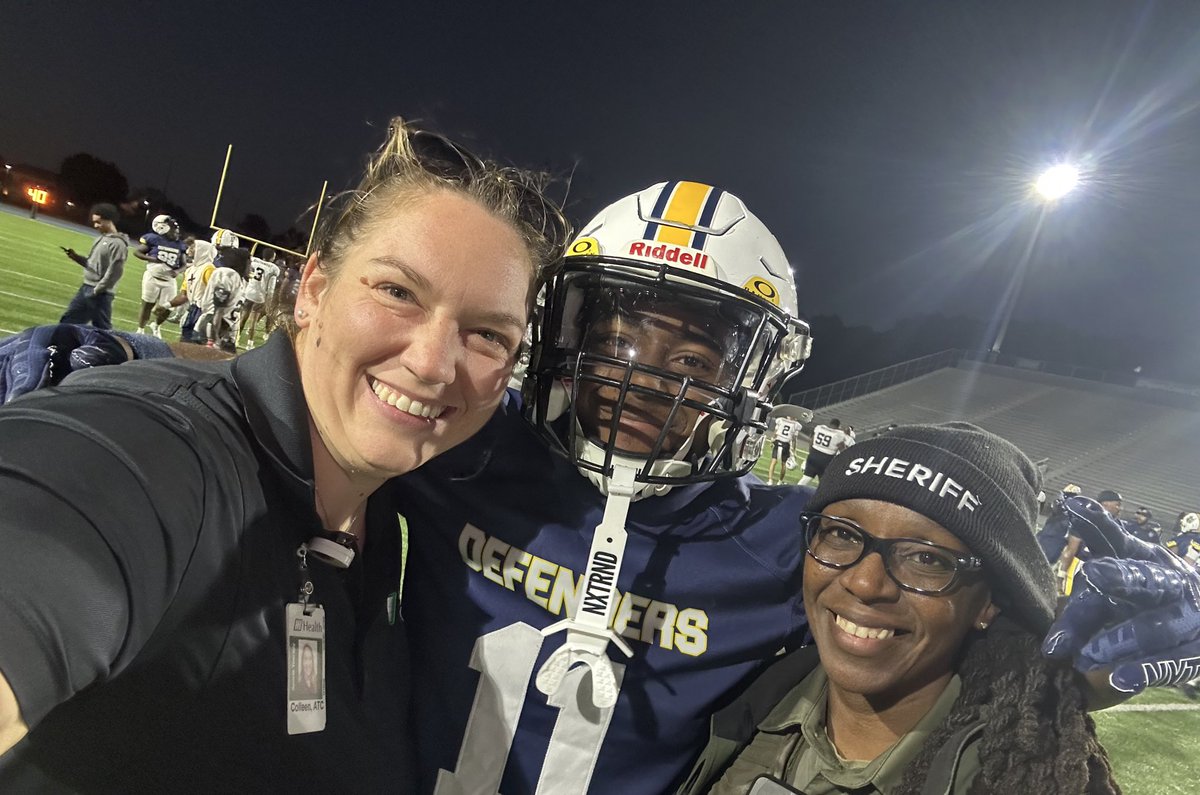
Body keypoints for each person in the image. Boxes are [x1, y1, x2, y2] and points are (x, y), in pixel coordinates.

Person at [5, 183, 1200, 794]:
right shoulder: (464, 450)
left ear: (753, 379)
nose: (647, 378)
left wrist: (1071, 658)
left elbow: (917, 624)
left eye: (696, 359)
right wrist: (143, 368)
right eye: (624, 337)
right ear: (566, 333)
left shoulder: (784, 541)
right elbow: (312, 412)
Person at [0, 117, 568, 791]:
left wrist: (146, 344)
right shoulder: (156, 456)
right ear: (314, 292)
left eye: (487, 334)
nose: (434, 363)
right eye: (397, 292)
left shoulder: (378, 501)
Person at [678, 423, 1121, 795]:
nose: (864, 582)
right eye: (843, 535)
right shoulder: (757, 693)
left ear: (989, 602)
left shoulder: (1013, 773)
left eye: (926, 558)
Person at [58, 202, 128, 329]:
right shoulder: (101, 239)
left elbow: (115, 273)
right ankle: (61, 346)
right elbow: (93, 265)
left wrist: (97, 290)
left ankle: (111, 349)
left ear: (109, 221)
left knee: (102, 330)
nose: (95, 225)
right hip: (87, 287)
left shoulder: (118, 244)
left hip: (100, 294)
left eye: (99, 222)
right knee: (69, 321)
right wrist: (76, 258)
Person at [132, 214, 189, 336]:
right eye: (173, 227)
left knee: (169, 307)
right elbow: (137, 252)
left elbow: (184, 264)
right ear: (162, 227)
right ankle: (140, 329)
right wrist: (151, 259)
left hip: (169, 280)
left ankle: (156, 326)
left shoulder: (180, 244)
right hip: (152, 277)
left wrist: (177, 271)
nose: (176, 230)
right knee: (147, 304)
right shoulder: (153, 239)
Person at [238, 248, 282, 349]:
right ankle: (249, 344)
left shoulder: (255, 261)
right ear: (272, 257)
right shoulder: (273, 269)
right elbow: (271, 288)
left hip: (249, 292)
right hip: (260, 296)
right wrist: (268, 301)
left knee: (243, 318)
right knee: (253, 321)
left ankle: (236, 338)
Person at [797, 417, 849, 486]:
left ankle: (795, 491)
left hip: (813, 454)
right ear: (838, 426)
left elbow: (812, 441)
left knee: (806, 477)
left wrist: (811, 453)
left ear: (830, 424)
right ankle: (820, 496)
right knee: (823, 481)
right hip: (826, 458)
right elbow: (842, 449)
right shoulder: (839, 434)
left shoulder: (820, 428)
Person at [767, 414, 801, 485]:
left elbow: (776, 432)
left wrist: (772, 439)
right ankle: (780, 481)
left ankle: (770, 480)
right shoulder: (796, 424)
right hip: (786, 444)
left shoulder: (781, 420)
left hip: (778, 442)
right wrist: (794, 451)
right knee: (783, 464)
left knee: (773, 462)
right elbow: (794, 439)